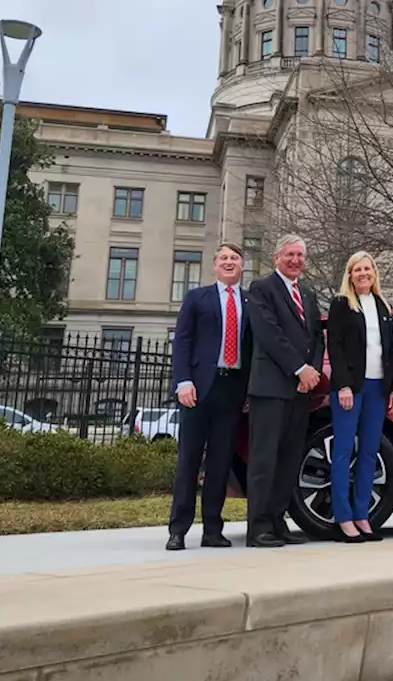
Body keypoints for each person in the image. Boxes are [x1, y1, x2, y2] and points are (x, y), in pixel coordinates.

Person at [166, 242, 251, 551]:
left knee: (220, 463)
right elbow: (182, 343)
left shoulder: (249, 301)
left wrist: (248, 392)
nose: (229, 262)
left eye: (235, 258)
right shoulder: (196, 298)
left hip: (232, 391)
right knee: (189, 460)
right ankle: (178, 529)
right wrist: (183, 382)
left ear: (243, 266)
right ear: (215, 265)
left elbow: (252, 350)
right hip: (198, 390)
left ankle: (212, 529)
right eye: (224, 258)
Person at [244, 234, 325, 547]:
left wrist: (312, 372)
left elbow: (316, 335)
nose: (295, 260)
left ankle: (278, 522)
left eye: (300, 255)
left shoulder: (307, 293)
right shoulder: (262, 289)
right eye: (290, 254)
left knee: (289, 460)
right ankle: (258, 527)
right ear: (277, 257)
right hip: (271, 388)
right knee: (265, 460)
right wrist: (299, 368)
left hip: (300, 391)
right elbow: (269, 334)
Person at [326, 251, 393, 543]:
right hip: (351, 389)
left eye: (367, 269)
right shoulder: (341, 304)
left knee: (370, 452)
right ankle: (343, 517)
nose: (363, 273)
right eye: (357, 269)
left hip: (377, 388)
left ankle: (362, 515)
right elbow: (334, 346)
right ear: (350, 274)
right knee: (344, 452)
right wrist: (343, 385)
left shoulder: (383, 305)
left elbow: (391, 350)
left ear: (374, 273)